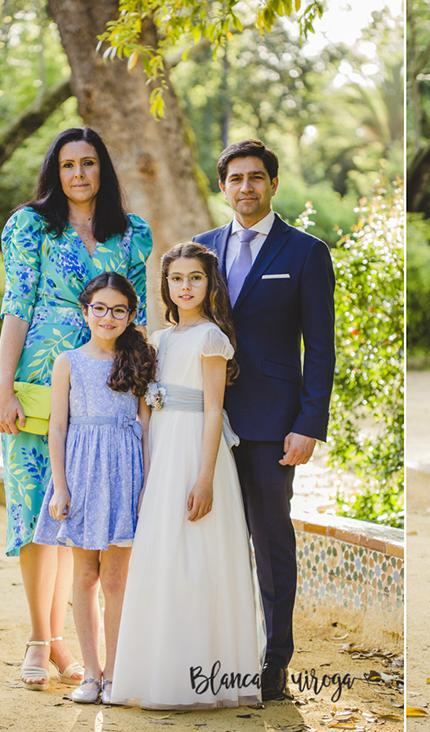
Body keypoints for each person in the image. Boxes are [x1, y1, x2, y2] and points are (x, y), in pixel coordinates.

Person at [0, 127, 152, 691]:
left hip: (107, 391)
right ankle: (43, 640)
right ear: (55, 173)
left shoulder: (132, 235)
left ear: (102, 169)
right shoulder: (31, 225)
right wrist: (5, 387)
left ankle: (74, 647)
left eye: (88, 163)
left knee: (84, 515)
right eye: (67, 165)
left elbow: (140, 319)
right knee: (39, 507)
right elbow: (16, 305)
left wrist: (144, 392)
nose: (78, 174)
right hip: (37, 383)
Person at [192, 139, 335, 701]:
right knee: (205, 535)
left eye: (256, 177)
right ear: (222, 185)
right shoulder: (200, 250)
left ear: (273, 184)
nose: (245, 187)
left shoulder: (305, 253)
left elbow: (320, 349)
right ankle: (216, 650)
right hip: (200, 419)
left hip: (272, 425)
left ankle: (275, 660)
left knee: (271, 541)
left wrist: (308, 423)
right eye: (235, 178)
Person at [110, 242, 264, 708]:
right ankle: (160, 671)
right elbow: (146, 411)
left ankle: (207, 673)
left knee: (199, 557)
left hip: (198, 449)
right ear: (166, 285)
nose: (185, 287)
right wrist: (148, 471)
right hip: (162, 450)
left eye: (194, 278)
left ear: (208, 283)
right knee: (163, 556)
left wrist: (204, 477)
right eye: (176, 279)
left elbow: (214, 410)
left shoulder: (212, 338)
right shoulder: (158, 340)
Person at [31, 273, 155, 703]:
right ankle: (91, 674)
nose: (108, 316)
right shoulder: (68, 361)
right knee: (84, 575)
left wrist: (147, 484)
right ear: (85, 311)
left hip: (126, 472)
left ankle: (117, 674)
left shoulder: (140, 359)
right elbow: (58, 428)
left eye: (118, 309)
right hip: (81, 473)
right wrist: (61, 486)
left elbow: (145, 425)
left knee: (117, 579)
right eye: (99, 308)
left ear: (130, 315)